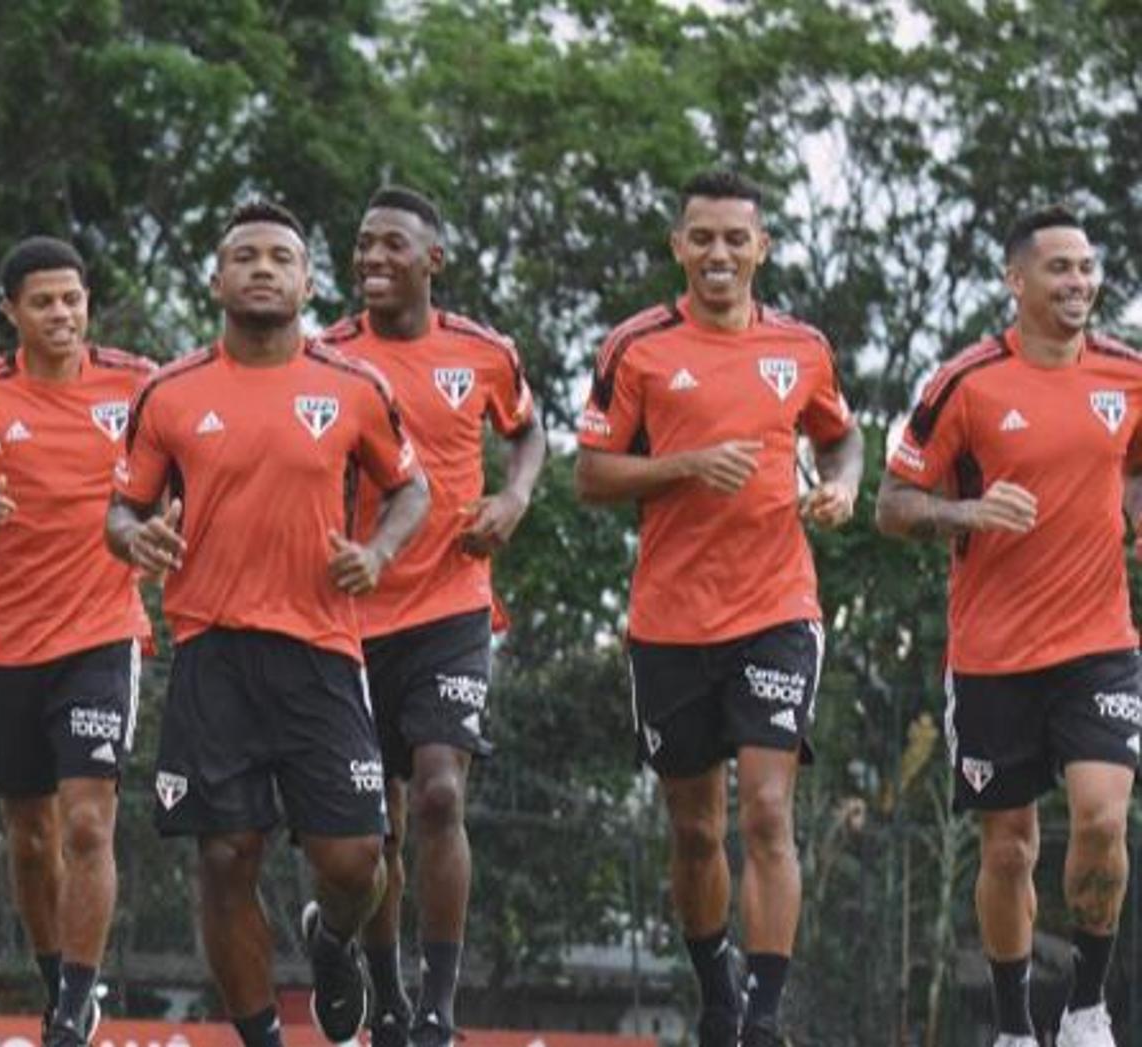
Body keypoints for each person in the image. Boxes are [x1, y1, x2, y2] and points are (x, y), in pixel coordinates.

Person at [106, 199, 430, 1047]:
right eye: (243, 256)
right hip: (213, 653)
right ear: (215, 280)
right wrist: (136, 534)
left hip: (322, 651)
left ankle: (331, 939)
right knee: (225, 857)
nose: (260, 268)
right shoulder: (169, 394)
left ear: (307, 281)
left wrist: (381, 554)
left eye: (279, 257)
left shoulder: (355, 389)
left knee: (358, 861)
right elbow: (121, 508)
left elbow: (412, 488)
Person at [574, 169, 861, 1047]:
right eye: (703, 237)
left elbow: (840, 433)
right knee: (696, 830)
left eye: (737, 238)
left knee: (768, 812)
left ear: (763, 247)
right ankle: (717, 993)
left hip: (777, 605)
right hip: (669, 620)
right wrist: (687, 465)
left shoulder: (802, 348)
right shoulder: (638, 348)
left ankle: (766, 1015)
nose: (720, 254)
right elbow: (590, 474)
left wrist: (843, 485)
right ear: (678, 246)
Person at [875, 205, 1138, 1047]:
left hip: (1099, 641)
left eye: (1087, 267)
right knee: (1009, 851)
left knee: (1101, 819)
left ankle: (1088, 1007)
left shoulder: (1127, 374)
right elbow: (891, 506)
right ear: (1016, 281)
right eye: (1059, 268)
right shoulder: (966, 382)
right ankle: (1018, 1028)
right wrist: (970, 509)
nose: (1078, 283)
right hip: (992, 655)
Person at [319, 186, 546, 1047]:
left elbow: (528, 432)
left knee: (443, 792)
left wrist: (514, 496)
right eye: (364, 245)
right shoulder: (326, 355)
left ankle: (440, 1014)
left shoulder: (483, 352)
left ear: (433, 260)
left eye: (393, 246)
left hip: (454, 601)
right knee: (378, 827)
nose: (375, 259)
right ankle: (384, 996)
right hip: (351, 613)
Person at [0, 237, 154, 1047]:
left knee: (87, 824)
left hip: (102, 634)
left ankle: (76, 1007)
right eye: (43, 301)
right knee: (32, 834)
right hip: (6, 641)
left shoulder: (140, 384)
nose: (62, 315)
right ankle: (55, 979)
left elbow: (190, 467)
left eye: (73, 299)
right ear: (11, 310)